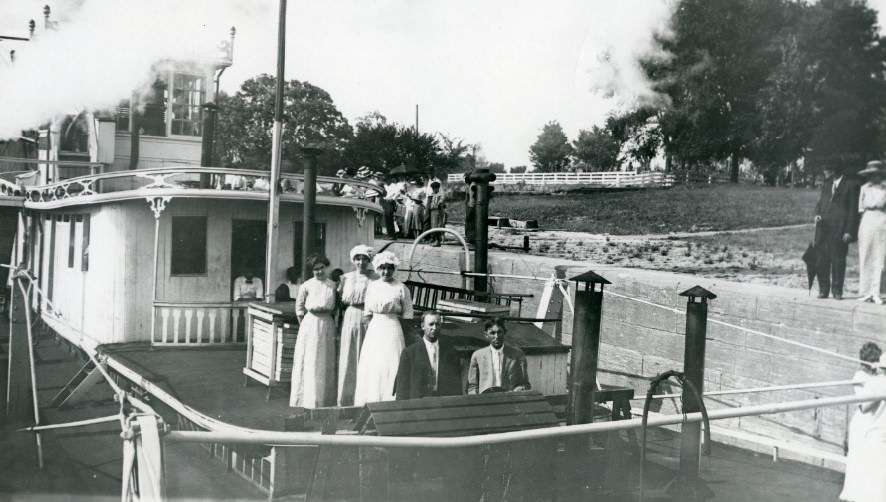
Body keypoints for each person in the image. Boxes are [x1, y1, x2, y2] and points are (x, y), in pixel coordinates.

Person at [353, 251, 414, 406]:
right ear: (377, 269)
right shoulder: (372, 287)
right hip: (375, 330)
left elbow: (407, 313)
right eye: (382, 268)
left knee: (392, 363)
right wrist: (371, 335)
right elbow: (367, 313)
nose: (386, 272)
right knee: (375, 365)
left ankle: (391, 402)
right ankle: (371, 402)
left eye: (389, 268)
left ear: (394, 269)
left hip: (393, 329)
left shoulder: (401, 288)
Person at [289, 254, 337, 408]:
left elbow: (336, 308)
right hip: (310, 324)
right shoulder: (306, 286)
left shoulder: (332, 285)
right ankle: (307, 399)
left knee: (324, 360)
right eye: (316, 269)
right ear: (312, 271)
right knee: (310, 361)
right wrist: (304, 326)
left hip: (327, 324)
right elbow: (299, 308)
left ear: (326, 267)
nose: (319, 272)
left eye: (321, 268)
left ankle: (323, 399)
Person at [336, 245, 378, 406]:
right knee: (349, 355)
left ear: (369, 261)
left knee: (365, 356)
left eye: (365, 259)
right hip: (350, 316)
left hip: (369, 317)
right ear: (353, 260)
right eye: (358, 259)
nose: (361, 262)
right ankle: (345, 398)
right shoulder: (345, 278)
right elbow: (339, 302)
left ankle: (364, 399)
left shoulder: (375, 277)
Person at [840, 342, 883, 502]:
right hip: (863, 423)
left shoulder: (880, 377)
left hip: (876, 422)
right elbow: (863, 405)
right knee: (860, 460)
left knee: (873, 462)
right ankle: (857, 494)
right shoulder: (859, 376)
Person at [814, 164, 860, 299]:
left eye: (826, 169)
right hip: (823, 228)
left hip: (840, 229)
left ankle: (837, 290)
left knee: (838, 260)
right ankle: (823, 289)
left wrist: (849, 231)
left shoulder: (850, 186)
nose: (824, 172)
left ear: (834, 170)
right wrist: (817, 214)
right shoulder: (827, 185)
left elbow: (853, 211)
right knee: (821, 259)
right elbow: (820, 203)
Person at [395, 310, 463, 400]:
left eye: (437, 324)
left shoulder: (451, 353)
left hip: (443, 403)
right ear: (423, 326)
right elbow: (402, 387)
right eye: (431, 324)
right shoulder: (409, 353)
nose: (434, 328)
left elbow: (456, 385)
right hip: (418, 404)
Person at [467, 318, 531, 394]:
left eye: (499, 332)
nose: (496, 336)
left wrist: (519, 389)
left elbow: (525, 384)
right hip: (485, 401)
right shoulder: (477, 355)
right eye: (492, 333)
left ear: (504, 333)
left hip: (509, 400)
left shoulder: (517, 354)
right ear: (486, 335)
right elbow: (472, 386)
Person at [857, 161, 886, 304]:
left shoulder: (885, 188)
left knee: (879, 256)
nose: (874, 177)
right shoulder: (864, 188)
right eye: (871, 174)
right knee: (866, 254)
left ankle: (876, 292)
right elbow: (860, 209)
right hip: (867, 220)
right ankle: (865, 291)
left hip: (881, 219)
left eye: (877, 174)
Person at [427, 179, 446, 246]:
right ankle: (434, 239)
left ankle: (438, 240)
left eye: (434, 188)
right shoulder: (433, 194)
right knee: (433, 226)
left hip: (438, 212)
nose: (433, 190)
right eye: (432, 188)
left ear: (437, 188)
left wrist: (439, 203)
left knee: (437, 226)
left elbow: (441, 202)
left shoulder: (440, 195)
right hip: (433, 212)